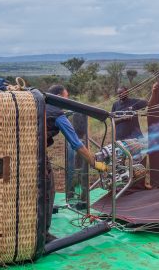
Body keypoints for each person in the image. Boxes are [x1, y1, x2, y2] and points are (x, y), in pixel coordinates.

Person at [45, 84, 98, 242]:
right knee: (48, 190)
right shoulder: (59, 115)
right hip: (37, 153)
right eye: (66, 98)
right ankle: (43, 235)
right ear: (59, 97)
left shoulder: (40, 104)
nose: (67, 101)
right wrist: (95, 163)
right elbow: (77, 144)